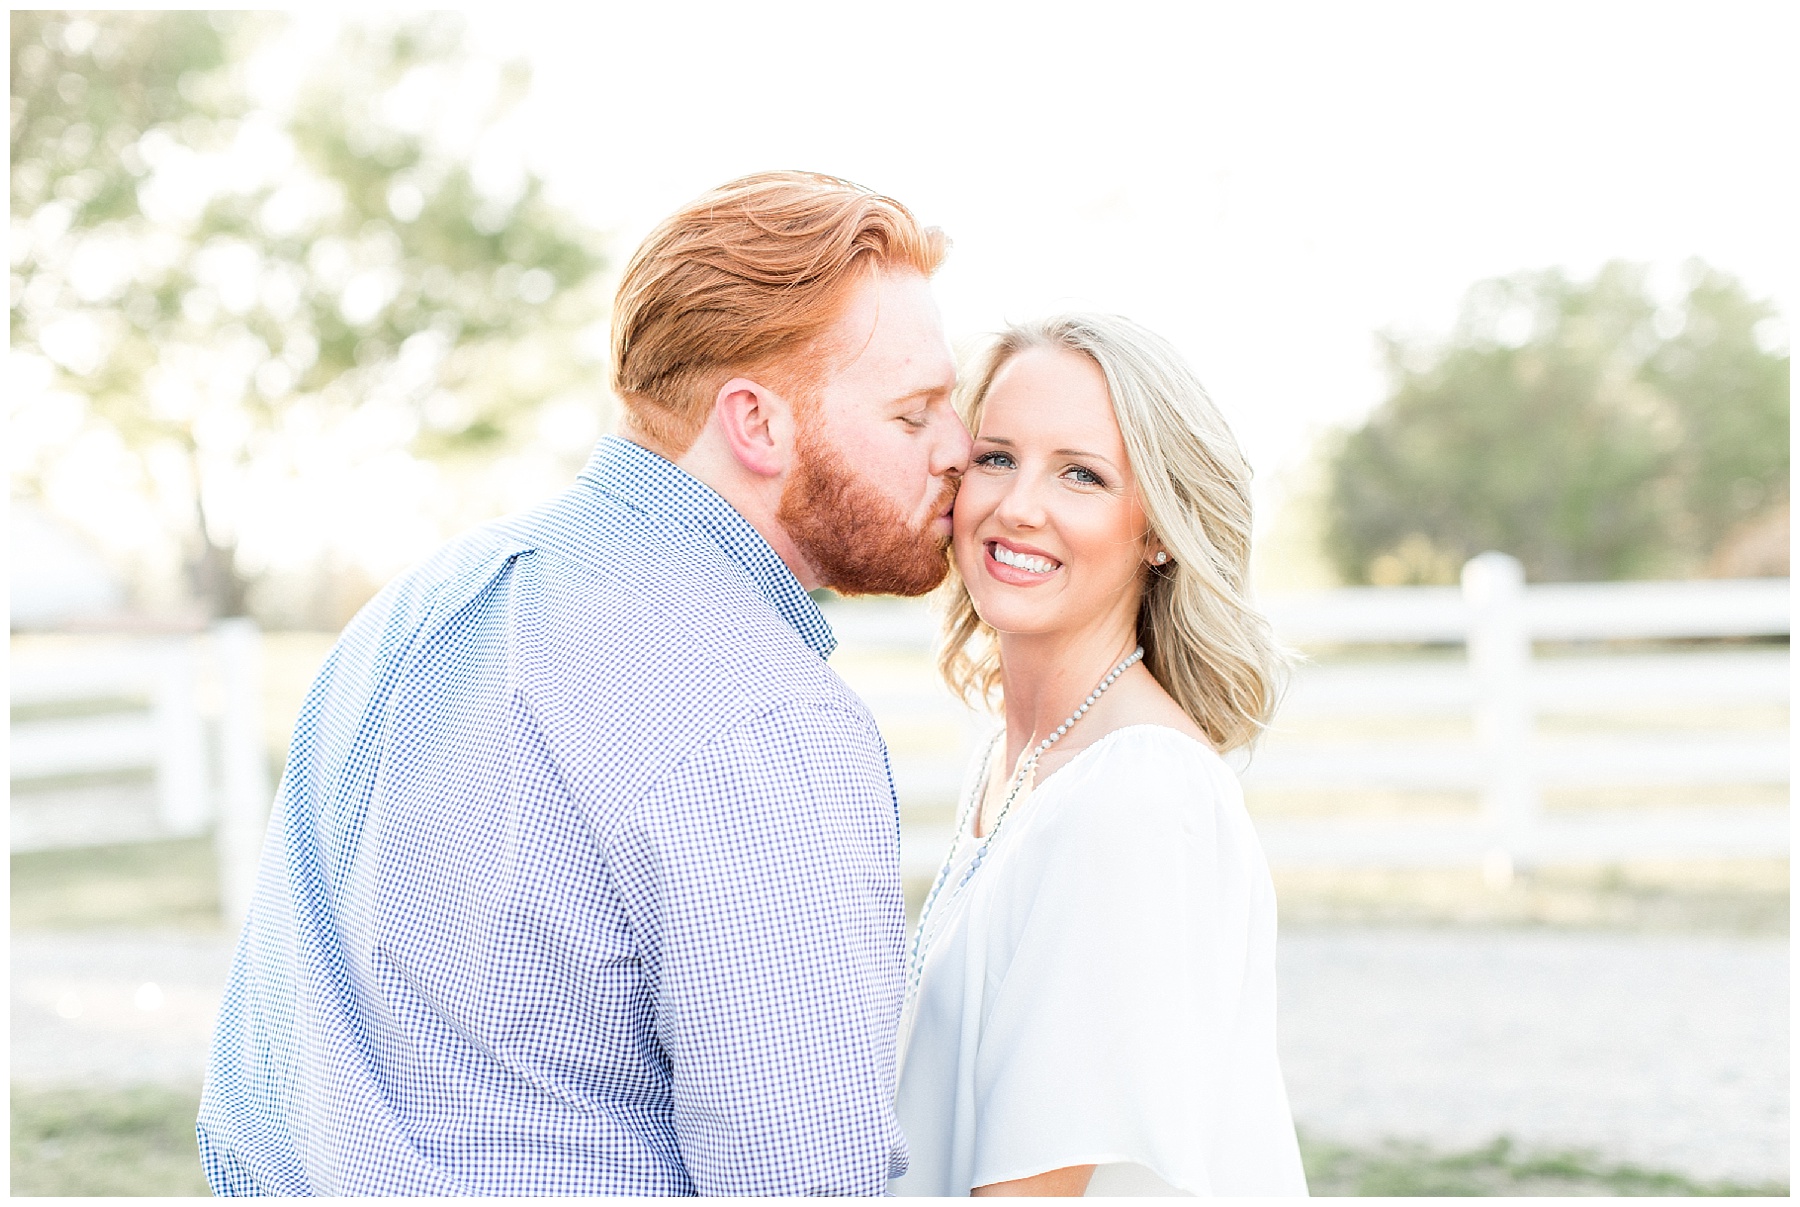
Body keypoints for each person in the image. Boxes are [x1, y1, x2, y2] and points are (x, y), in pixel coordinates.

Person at [196, 171, 972, 1195]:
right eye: (916, 416)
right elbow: (806, 1178)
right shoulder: (766, 717)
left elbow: (260, 1088)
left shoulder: (417, 608)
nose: (962, 451)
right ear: (758, 424)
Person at [890, 314, 1308, 1197]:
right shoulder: (1020, 759)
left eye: (1081, 473)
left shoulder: (1135, 794)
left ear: (1156, 528)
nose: (1018, 505)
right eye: (997, 457)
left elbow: (1032, 1189)